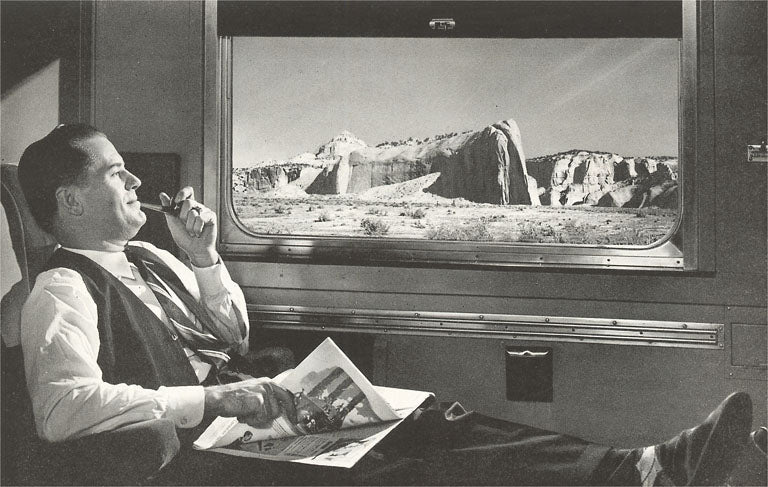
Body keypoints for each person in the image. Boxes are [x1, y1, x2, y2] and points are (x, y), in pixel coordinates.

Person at [16, 124, 756, 486]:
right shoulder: (61, 290)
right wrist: (211, 397)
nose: (133, 182)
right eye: (114, 173)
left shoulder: (154, 259)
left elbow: (232, 334)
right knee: (405, 466)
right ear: (70, 201)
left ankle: (635, 468)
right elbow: (62, 409)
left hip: (249, 415)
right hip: (200, 453)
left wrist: (206, 258)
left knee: (428, 414)